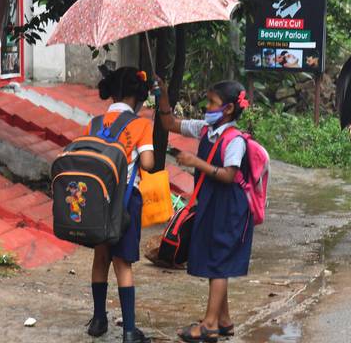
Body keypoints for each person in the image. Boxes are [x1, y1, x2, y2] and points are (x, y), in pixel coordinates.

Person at [158, 78, 253, 343]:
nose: (207, 107)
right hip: (212, 203)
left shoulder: (234, 140)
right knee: (216, 258)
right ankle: (224, 321)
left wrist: (194, 161)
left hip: (229, 207)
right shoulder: (204, 129)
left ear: (229, 110)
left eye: (213, 103)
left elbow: (228, 175)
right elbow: (170, 124)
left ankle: (209, 325)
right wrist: (163, 96)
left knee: (218, 265)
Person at [87, 66, 154, 343]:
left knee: (100, 258)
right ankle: (128, 331)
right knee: (122, 263)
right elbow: (148, 164)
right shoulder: (140, 124)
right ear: (136, 97)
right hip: (125, 202)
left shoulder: (94, 122)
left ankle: (98, 320)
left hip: (96, 200)